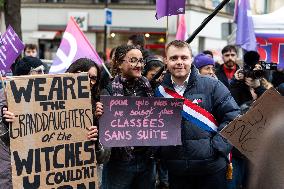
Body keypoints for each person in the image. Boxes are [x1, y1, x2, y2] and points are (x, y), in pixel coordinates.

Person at [0, 57, 99, 188]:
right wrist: (8, 123)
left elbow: (102, 156)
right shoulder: (10, 100)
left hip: (66, 177)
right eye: (38, 71)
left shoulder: (96, 105)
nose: (87, 81)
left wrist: (96, 139)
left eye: (93, 78)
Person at [155, 40, 240, 189]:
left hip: (211, 170)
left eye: (184, 58)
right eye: (174, 58)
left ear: (191, 59)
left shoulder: (212, 85)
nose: (179, 62)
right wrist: (162, 151)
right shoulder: (158, 92)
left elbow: (233, 116)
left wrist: (217, 148)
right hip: (177, 172)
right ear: (166, 61)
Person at [96, 44, 156, 189]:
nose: (139, 65)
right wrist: (98, 116)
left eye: (141, 61)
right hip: (119, 163)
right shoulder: (108, 91)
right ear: (119, 64)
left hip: (146, 161)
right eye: (133, 60)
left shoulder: (149, 88)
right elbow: (104, 131)